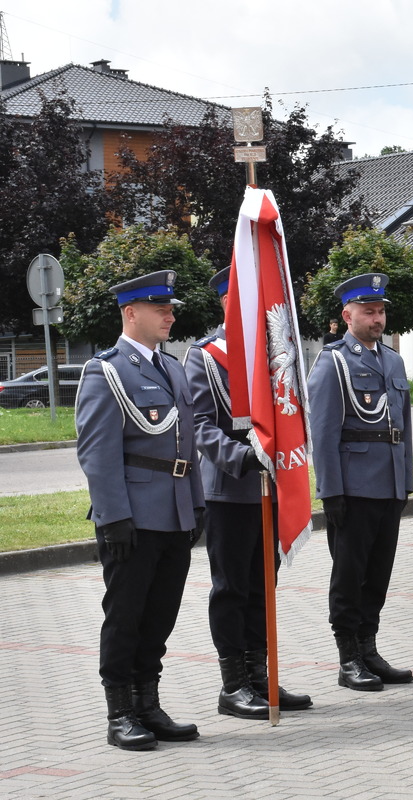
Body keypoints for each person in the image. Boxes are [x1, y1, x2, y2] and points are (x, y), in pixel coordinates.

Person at [75, 269, 205, 750]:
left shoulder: (172, 368)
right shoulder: (106, 371)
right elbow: (97, 452)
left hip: (174, 512)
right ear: (131, 313)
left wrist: (196, 503)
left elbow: (186, 446)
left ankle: (148, 704)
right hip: (132, 515)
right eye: (160, 309)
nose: (170, 316)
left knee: (160, 615)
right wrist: (113, 517)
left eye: (170, 309)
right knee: (125, 615)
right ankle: (120, 713)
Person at [184, 266, 312, 718]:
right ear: (227, 302)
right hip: (230, 490)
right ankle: (233, 685)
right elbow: (200, 425)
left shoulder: (274, 355)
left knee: (263, 587)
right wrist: (243, 457)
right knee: (232, 589)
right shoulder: (205, 357)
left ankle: (261, 677)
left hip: (270, 487)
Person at [308, 272, 413, 691]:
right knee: (349, 576)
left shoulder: (393, 361)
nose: (377, 318)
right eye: (369, 311)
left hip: (388, 484)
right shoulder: (333, 361)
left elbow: (403, 428)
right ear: (347, 315)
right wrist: (330, 491)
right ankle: (348, 656)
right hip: (353, 488)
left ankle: (369, 647)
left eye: (381, 310)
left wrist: (405, 481)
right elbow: (323, 432)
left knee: (378, 573)